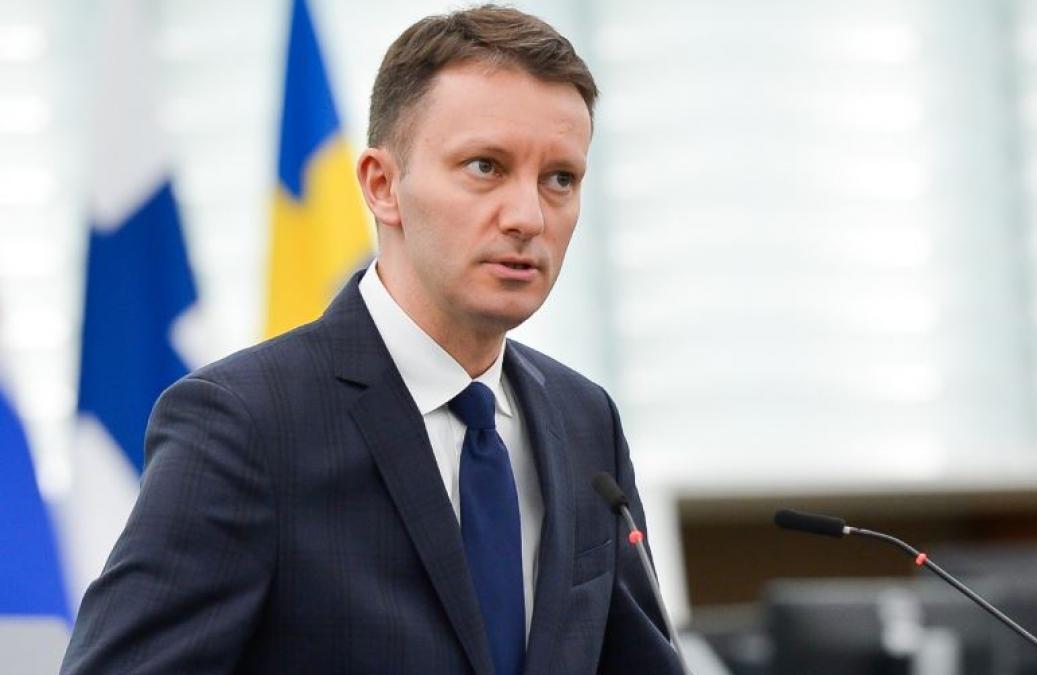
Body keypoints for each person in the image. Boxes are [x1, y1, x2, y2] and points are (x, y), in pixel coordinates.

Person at [60, 6, 681, 675]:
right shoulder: (246, 424)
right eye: (485, 166)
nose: (528, 216)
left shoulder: (585, 420)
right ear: (382, 187)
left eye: (560, 178)